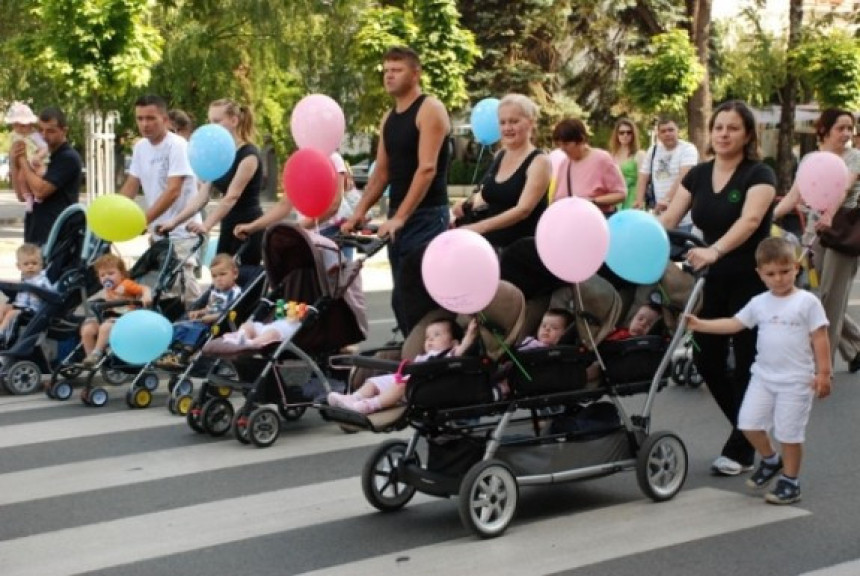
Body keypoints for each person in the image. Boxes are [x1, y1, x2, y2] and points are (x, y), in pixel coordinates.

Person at [660, 100, 777, 476]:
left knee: (745, 363)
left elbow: (752, 219)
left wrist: (715, 249)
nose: (724, 134)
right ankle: (749, 430)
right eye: (719, 127)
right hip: (710, 280)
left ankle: (742, 448)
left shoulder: (758, 174)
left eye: (733, 128)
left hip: (749, 279)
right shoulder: (696, 174)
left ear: (747, 135)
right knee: (706, 358)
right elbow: (669, 218)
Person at [685, 237, 831, 505]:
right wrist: (700, 325)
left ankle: (790, 481)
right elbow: (733, 324)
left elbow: (820, 337)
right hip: (763, 377)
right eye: (771, 274)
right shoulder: (759, 302)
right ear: (760, 274)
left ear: (796, 269)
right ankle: (770, 460)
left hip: (796, 381)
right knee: (748, 424)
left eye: (785, 271)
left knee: (789, 434)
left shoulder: (806, 302)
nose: (779, 279)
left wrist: (824, 374)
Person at [340, 46, 451, 333]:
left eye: (397, 70)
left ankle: (432, 356)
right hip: (398, 218)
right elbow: (382, 173)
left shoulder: (430, 109)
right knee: (401, 298)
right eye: (386, 70)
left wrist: (400, 217)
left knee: (419, 295)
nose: (389, 76)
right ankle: (412, 357)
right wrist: (358, 213)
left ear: (416, 73)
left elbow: (427, 168)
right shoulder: (389, 118)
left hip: (427, 216)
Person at [773, 108, 860, 372]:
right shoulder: (811, 158)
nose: (846, 134)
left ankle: (823, 367)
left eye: (850, 128)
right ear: (824, 130)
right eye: (840, 128)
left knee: (831, 298)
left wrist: (829, 214)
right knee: (816, 296)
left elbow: (844, 187)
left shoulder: (854, 157)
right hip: (814, 234)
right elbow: (794, 195)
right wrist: (766, 217)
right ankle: (855, 345)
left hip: (844, 231)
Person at [159, 99, 265, 266]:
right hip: (228, 222)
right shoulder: (219, 154)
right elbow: (202, 196)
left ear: (234, 121)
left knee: (242, 281)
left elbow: (232, 196)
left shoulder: (248, 155)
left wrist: (207, 225)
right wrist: (174, 222)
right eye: (209, 121)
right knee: (220, 277)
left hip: (248, 225)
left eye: (217, 121)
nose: (211, 126)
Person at [119, 94, 202, 300]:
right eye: (140, 119)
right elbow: (131, 184)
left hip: (182, 231)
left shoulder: (178, 146)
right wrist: (117, 213)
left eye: (150, 118)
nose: (144, 124)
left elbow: (173, 190)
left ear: (165, 120)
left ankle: (197, 325)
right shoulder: (140, 147)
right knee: (160, 293)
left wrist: (142, 221)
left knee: (182, 287)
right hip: (159, 233)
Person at [451, 93, 551, 249]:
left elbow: (523, 210)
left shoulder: (539, 161)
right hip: (489, 245)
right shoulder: (500, 155)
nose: (507, 128)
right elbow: (488, 194)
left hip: (519, 252)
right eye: (502, 122)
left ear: (530, 123)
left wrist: (479, 227)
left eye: (514, 121)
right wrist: (465, 204)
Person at [327, 318, 469, 414]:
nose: (430, 339)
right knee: (374, 382)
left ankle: (370, 405)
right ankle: (353, 398)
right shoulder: (424, 356)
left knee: (400, 385)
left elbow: (464, 346)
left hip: (423, 387)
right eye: (427, 337)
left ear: (453, 343)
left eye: (437, 335)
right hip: (408, 379)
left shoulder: (449, 354)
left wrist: (471, 333)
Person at [11, 106, 82, 246]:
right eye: (40, 129)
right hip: (34, 234)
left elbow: (40, 191)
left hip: (57, 238)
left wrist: (24, 161)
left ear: (64, 131)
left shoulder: (67, 157)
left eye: (50, 131)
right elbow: (20, 195)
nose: (44, 135)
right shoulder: (40, 155)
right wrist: (15, 162)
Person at [158, 254, 241, 368]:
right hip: (203, 319)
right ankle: (172, 351)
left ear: (235, 274)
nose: (218, 278)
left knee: (195, 329)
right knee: (181, 326)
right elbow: (210, 307)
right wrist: (199, 312)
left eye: (223, 274)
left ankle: (184, 356)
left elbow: (228, 311)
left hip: (218, 323)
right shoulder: (215, 290)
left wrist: (212, 317)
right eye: (214, 276)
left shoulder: (234, 292)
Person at [81, 253, 152, 366]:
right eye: (102, 275)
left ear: (122, 274)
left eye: (111, 273)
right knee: (87, 329)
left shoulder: (126, 284)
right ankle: (90, 358)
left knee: (105, 327)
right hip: (111, 317)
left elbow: (144, 288)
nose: (106, 277)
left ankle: (97, 353)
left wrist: (146, 296)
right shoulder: (107, 289)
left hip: (126, 319)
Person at [550, 117, 626, 215]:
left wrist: (593, 201)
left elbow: (620, 194)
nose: (562, 149)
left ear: (581, 140)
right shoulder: (565, 163)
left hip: (595, 220)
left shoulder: (602, 159)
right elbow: (556, 198)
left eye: (566, 144)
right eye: (559, 144)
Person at [635, 116, 699, 228]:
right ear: (658, 135)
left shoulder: (688, 149)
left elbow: (684, 176)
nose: (667, 134)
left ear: (678, 131)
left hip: (684, 217)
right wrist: (639, 201)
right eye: (663, 131)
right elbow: (643, 176)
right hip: (659, 215)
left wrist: (667, 199)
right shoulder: (653, 150)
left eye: (671, 130)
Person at [585, 304, 661, 382]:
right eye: (640, 319)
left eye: (649, 324)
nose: (642, 325)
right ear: (632, 319)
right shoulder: (620, 331)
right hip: (596, 351)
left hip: (608, 363)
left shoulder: (643, 346)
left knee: (595, 369)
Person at [5, 102, 49, 223]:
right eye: (16, 125)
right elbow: (12, 152)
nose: (20, 129)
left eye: (23, 125)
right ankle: (28, 197)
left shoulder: (34, 135)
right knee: (21, 178)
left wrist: (38, 156)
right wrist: (14, 160)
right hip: (22, 163)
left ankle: (38, 194)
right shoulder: (14, 136)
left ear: (30, 124)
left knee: (40, 173)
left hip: (34, 161)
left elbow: (44, 147)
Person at [0, 243, 53, 343]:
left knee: (11, 313)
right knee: (3, 307)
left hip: (32, 310)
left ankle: (2, 332)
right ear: (19, 266)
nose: (30, 266)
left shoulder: (42, 280)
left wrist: (39, 294)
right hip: (19, 306)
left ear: (41, 265)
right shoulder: (25, 279)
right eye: (26, 264)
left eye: (34, 263)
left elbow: (50, 295)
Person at [609, 119, 646, 210]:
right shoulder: (612, 156)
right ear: (616, 135)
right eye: (621, 133)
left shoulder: (639, 154)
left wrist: (638, 200)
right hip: (615, 199)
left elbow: (642, 180)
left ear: (633, 135)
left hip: (633, 198)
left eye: (629, 132)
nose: (625, 135)